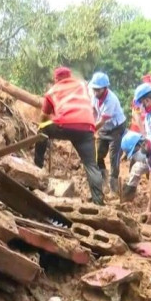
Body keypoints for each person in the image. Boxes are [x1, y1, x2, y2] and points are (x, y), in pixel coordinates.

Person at [35, 67, 104, 205]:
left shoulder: (52, 91)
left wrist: (43, 128)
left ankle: (37, 169)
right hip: (87, 127)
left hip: (65, 125)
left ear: (56, 79)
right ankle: (99, 202)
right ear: (70, 76)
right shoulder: (82, 85)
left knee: (42, 130)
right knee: (91, 165)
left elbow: (44, 116)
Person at [89, 72, 127, 194]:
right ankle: (103, 180)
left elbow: (102, 120)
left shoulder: (111, 100)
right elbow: (94, 111)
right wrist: (91, 121)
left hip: (116, 129)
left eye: (98, 90)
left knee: (113, 156)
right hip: (103, 128)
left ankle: (113, 185)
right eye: (94, 89)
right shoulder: (94, 96)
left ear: (105, 88)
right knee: (98, 154)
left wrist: (91, 129)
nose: (95, 92)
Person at [124, 74, 151, 201]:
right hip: (139, 135)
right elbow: (137, 116)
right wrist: (144, 134)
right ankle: (129, 193)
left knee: (148, 169)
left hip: (150, 138)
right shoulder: (138, 99)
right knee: (137, 164)